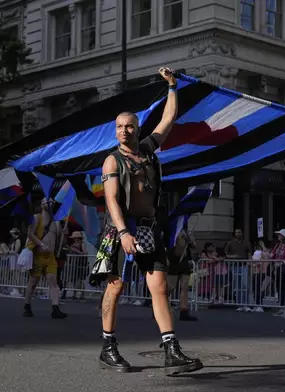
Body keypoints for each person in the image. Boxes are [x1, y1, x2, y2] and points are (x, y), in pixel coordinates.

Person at [93, 67, 202, 375]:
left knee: (159, 287)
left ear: (138, 129)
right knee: (115, 287)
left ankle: (171, 350)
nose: (124, 131)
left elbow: (168, 120)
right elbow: (111, 199)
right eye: (119, 127)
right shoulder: (112, 160)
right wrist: (124, 231)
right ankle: (108, 348)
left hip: (148, 229)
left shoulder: (148, 150)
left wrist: (172, 87)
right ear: (115, 132)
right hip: (120, 230)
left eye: (129, 126)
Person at [22, 198, 67, 319]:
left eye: (52, 201)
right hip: (38, 255)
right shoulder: (37, 217)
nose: (50, 203)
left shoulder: (56, 222)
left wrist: (64, 234)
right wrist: (41, 244)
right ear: (42, 204)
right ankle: (27, 305)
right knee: (33, 282)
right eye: (47, 201)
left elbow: (58, 241)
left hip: (51, 257)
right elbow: (30, 234)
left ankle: (55, 308)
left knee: (53, 281)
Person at [166, 228, 197, 321]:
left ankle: (184, 311)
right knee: (171, 286)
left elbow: (194, 246)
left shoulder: (186, 232)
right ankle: (160, 305)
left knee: (185, 286)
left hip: (184, 260)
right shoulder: (171, 230)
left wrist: (190, 240)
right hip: (173, 260)